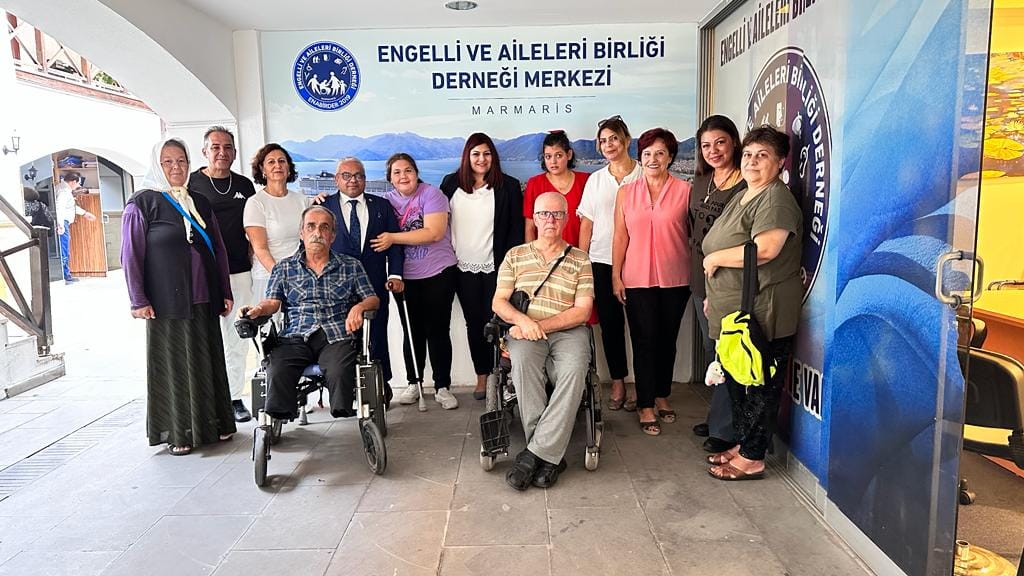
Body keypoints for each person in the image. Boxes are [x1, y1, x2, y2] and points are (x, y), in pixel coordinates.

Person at [121, 138, 236, 456]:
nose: (176, 167)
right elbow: (130, 255)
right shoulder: (142, 203)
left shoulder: (199, 201)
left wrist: (224, 291)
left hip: (204, 297)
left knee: (207, 360)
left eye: (181, 161)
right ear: (157, 165)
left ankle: (213, 423)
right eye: (168, 162)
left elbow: (219, 250)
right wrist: (138, 299)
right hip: (165, 302)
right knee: (175, 366)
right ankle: (178, 430)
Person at [703, 125, 803, 481]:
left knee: (760, 383)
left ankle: (753, 457)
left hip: (763, 309)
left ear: (780, 162)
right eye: (748, 154)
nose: (752, 161)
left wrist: (715, 259)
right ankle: (744, 445)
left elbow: (766, 249)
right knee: (739, 380)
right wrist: (714, 294)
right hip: (734, 308)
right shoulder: (746, 193)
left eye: (762, 155)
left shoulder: (775, 199)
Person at [493, 192, 594, 490]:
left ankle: (534, 455)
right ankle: (550, 457)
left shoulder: (580, 259)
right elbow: (499, 302)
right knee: (523, 363)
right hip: (524, 331)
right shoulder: (515, 255)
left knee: (574, 369)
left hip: (568, 331)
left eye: (557, 214)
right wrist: (524, 322)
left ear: (566, 218)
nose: (550, 219)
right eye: (544, 214)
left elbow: (583, 311)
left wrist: (540, 326)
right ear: (534, 219)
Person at [242, 205, 380, 420]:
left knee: (338, 368)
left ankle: (342, 409)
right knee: (277, 366)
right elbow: (272, 303)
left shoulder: (351, 265)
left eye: (324, 227)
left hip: (336, 335)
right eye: (311, 226)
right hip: (296, 336)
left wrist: (359, 307)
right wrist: (258, 309)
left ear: (332, 236)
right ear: (301, 233)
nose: (317, 232)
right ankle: (279, 414)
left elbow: (373, 299)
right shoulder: (284, 268)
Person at [611, 127, 692, 437]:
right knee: (643, 341)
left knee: (667, 340)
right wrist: (616, 275)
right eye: (647, 153)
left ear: (670, 157)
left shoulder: (685, 191)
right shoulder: (626, 193)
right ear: (640, 157)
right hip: (636, 277)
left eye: (660, 153)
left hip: (676, 277)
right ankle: (645, 404)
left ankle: (661, 394)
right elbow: (620, 236)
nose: (653, 159)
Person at [370, 153, 460, 410]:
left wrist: (393, 237)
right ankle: (414, 382)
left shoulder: (432, 194)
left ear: (416, 173)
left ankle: (442, 386)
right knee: (412, 332)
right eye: (397, 172)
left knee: (438, 331)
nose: (403, 176)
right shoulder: (385, 202)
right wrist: (321, 199)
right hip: (404, 279)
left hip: (438, 272)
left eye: (408, 170)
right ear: (390, 178)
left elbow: (434, 232)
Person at [439, 133, 524, 400]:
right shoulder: (450, 184)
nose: (481, 159)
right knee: (474, 324)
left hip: (497, 267)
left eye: (487, 154)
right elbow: (436, 217)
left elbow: (516, 230)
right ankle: (482, 377)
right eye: (476, 154)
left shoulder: (509, 186)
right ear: (467, 157)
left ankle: (505, 376)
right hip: (461, 267)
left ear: (493, 157)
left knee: (502, 323)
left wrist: (512, 268)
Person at [189, 126, 258, 423]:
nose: (222, 152)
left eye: (227, 147)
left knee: (237, 336)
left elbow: (254, 224)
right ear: (204, 151)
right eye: (215, 147)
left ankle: (233, 397)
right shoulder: (191, 184)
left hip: (239, 271)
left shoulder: (244, 185)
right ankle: (206, 400)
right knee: (204, 337)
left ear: (235, 152)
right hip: (203, 274)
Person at [321, 156, 405, 402]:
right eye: (346, 176)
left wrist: (395, 274)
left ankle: (381, 384)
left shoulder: (381, 206)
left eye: (358, 175)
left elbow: (395, 245)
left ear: (365, 179)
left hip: (374, 284)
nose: (353, 180)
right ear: (337, 180)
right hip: (336, 288)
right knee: (343, 338)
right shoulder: (324, 207)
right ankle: (346, 389)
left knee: (377, 335)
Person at [689, 115, 748, 453]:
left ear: (734, 143)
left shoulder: (745, 185)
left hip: (728, 282)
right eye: (706, 145)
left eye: (720, 143)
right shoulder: (701, 181)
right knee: (713, 351)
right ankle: (720, 417)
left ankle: (726, 429)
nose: (713, 151)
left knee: (728, 352)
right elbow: (692, 228)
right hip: (700, 279)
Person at [577, 115, 641, 412]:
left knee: (642, 326)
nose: (608, 145)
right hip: (601, 259)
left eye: (613, 138)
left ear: (626, 140)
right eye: (603, 141)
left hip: (638, 260)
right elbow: (587, 224)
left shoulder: (643, 174)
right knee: (611, 326)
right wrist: (581, 262)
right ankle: (618, 381)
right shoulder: (596, 180)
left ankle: (642, 384)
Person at [243, 144, 308, 304]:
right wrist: (283, 278)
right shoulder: (256, 203)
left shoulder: (302, 200)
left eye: (282, 161)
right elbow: (260, 249)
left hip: (300, 278)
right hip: (269, 277)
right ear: (263, 169)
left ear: (289, 168)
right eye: (271, 162)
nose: (277, 165)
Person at [523, 131, 589, 245]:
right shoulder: (535, 184)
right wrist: (532, 254)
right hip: (545, 252)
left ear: (569, 155)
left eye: (558, 155)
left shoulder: (586, 181)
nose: (553, 162)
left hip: (579, 251)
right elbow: (530, 227)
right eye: (548, 156)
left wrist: (583, 254)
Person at [54, 170, 96, 284]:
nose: (78, 186)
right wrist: (60, 225)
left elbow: (69, 207)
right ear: (73, 182)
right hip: (63, 222)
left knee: (64, 249)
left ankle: (66, 275)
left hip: (63, 222)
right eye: (78, 183)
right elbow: (59, 208)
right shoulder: (64, 191)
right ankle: (65, 276)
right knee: (64, 250)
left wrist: (84, 213)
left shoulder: (62, 189)